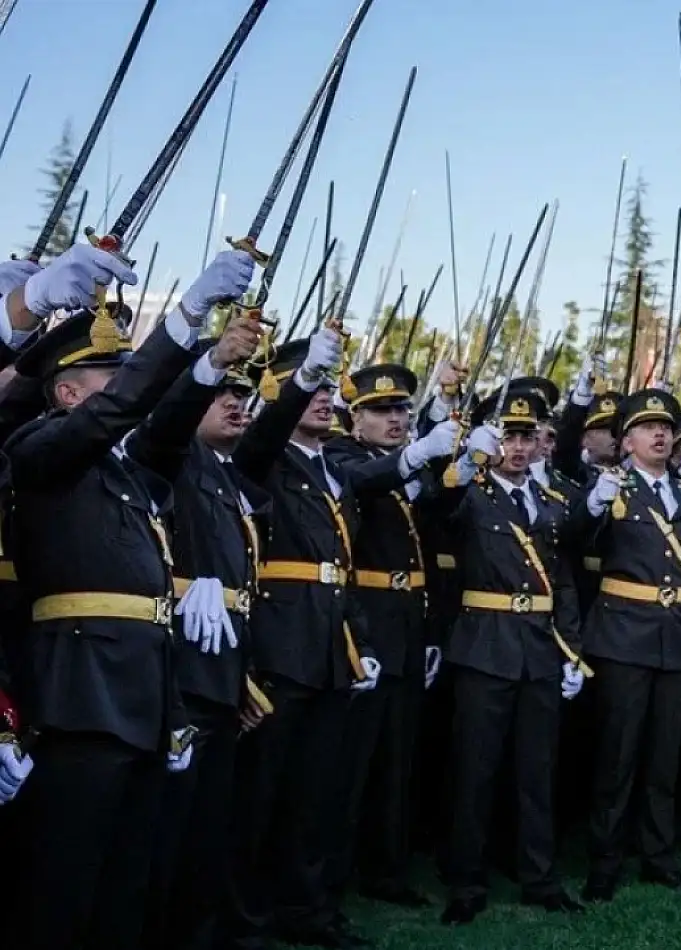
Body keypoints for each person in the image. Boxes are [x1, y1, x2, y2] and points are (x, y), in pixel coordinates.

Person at [6, 246, 255, 949]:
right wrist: (184, 318)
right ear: (67, 393)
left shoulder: (124, 472)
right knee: (64, 886)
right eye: (107, 377)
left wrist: (205, 365)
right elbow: (123, 411)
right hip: (81, 696)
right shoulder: (42, 450)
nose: (124, 390)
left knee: (126, 885)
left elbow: (167, 424)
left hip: (143, 697)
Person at [228, 323, 382, 949]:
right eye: (305, 387)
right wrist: (299, 384)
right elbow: (262, 435)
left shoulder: (330, 468)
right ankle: (247, 920)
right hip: (280, 646)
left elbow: (343, 567)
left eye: (324, 387)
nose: (321, 397)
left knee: (315, 794)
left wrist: (360, 642)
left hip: (328, 648)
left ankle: (307, 909)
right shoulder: (262, 454)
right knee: (260, 796)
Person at [130, 331, 270, 950]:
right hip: (179, 664)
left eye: (245, 393)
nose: (236, 402)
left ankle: (200, 931)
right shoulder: (170, 455)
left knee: (209, 821)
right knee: (169, 825)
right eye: (224, 393)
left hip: (222, 663)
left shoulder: (222, 471)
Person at [567, 387, 681, 901]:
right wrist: (592, 506)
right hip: (623, 636)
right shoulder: (608, 490)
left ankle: (658, 855)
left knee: (665, 757)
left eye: (665, 427)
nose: (659, 434)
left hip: (677, 638)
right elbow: (569, 541)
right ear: (626, 440)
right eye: (647, 427)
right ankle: (605, 860)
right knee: (618, 756)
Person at [439, 388, 586, 924]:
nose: (519, 447)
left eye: (527, 436)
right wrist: (466, 458)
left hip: (540, 650)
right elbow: (440, 505)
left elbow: (563, 583)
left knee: (536, 772)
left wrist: (572, 650)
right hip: (485, 645)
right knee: (475, 772)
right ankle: (466, 882)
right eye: (508, 436)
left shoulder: (550, 505)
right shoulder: (471, 493)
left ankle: (539, 878)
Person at [324, 362, 459, 912]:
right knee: (352, 764)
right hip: (365, 622)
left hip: (406, 621)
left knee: (397, 761)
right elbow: (368, 481)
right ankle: (333, 876)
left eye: (402, 409)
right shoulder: (343, 457)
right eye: (382, 411)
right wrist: (418, 454)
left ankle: (387, 868)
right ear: (355, 419)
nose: (396, 418)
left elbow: (435, 514)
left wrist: (462, 461)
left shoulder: (403, 467)